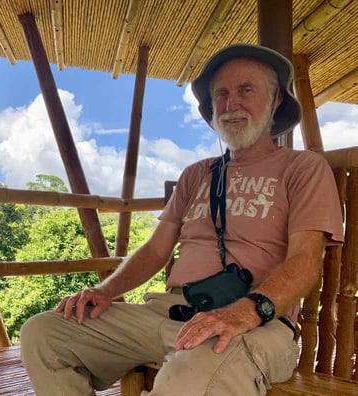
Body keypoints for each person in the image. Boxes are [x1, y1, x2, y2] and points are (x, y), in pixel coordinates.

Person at [20, 43, 344, 396]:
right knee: (44, 335)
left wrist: (243, 313)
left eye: (245, 90)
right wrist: (105, 291)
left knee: (190, 375)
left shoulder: (303, 168)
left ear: (276, 100)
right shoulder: (196, 174)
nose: (230, 103)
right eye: (221, 94)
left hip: (254, 324)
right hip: (169, 312)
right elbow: (157, 250)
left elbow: (305, 261)